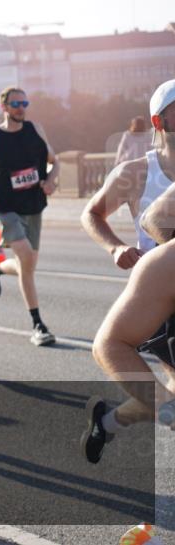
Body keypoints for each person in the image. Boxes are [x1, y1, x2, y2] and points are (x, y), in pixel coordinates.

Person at [82, 181, 175, 463]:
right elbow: (152, 217)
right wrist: (169, 412)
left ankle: (106, 422)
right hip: (158, 302)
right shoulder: (165, 264)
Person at [0, 86, 59, 347]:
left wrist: (50, 180)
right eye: (15, 104)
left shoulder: (35, 130)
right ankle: (38, 324)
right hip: (5, 207)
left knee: (27, 266)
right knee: (25, 256)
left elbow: (55, 161)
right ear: (3, 107)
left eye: (24, 103)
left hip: (33, 205)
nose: (21, 108)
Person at [82, 79, 175, 268]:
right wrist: (116, 248)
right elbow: (91, 213)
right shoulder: (135, 173)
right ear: (158, 122)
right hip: (156, 282)